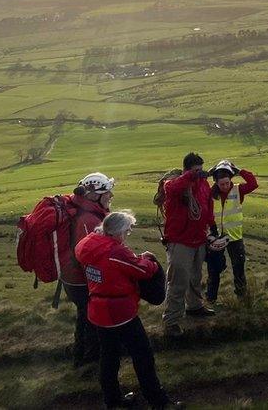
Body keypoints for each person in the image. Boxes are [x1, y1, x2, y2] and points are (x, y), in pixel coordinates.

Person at [75, 211, 181, 409]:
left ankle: (113, 401)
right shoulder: (116, 252)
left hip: (97, 311)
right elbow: (142, 270)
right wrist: (149, 260)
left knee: (109, 358)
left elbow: (114, 265)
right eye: (127, 231)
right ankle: (159, 402)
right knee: (143, 356)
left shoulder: (88, 245)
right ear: (118, 232)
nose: (127, 235)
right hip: (120, 313)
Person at [62, 173, 115, 368]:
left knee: (85, 317)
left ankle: (81, 358)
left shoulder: (86, 213)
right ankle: (88, 360)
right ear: (96, 195)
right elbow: (89, 255)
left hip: (74, 278)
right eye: (107, 193)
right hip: (81, 280)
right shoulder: (89, 220)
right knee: (91, 319)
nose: (110, 196)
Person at [161, 152, 215, 338]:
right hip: (180, 241)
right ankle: (172, 321)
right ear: (186, 170)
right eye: (195, 170)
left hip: (198, 238)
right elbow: (174, 188)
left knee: (195, 276)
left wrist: (211, 228)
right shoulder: (173, 184)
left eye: (201, 170)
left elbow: (207, 206)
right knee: (177, 281)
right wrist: (191, 177)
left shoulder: (204, 185)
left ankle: (194, 306)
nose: (199, 173)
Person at [205, 160, 259, 304]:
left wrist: (239, 170)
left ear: (231, 180)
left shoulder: (238, 189)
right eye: (221, 184)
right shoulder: (210, 194)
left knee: (238, 268)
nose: (225, 186)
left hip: (235, 237)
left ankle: (242, 297)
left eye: (227, 183)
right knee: (214, 270)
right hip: (216, 237)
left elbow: (253, 183)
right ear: (215, 182)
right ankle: (211, 298)